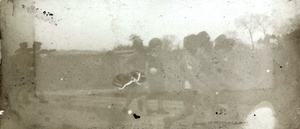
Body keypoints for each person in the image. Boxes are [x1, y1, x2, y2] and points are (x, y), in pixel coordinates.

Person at [147, 38, 169, 114]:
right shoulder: (151, 54)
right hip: (154, 75)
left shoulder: (158, 54)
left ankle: (160, 108)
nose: (159, 47)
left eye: (159, 45)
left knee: (161, 92)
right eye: (157, 45)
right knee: (153, 92)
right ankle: (142, 100)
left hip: (159, 75)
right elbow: (151, 67)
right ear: (153, 46)